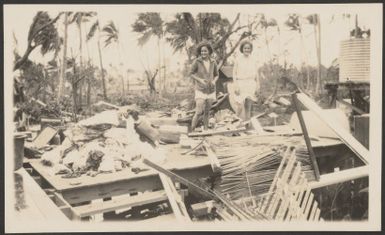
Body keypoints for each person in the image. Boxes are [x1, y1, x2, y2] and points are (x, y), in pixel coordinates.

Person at [189, 41, 219, 131]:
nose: (203, 53)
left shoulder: (213, 62)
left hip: (211, 90)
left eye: (205, 51)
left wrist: (214, 81)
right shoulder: (197, 61)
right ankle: (192, 130)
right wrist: (200, 80)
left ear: (209, 51)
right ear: (199, 52)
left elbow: (217, 74)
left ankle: (205, 131)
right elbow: (191, 73)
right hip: (200, 89)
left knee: (207, 112)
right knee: (198, 112)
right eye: (202, 51)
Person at [231, 40, 260, 124]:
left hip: (251, 84)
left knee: (248, 107)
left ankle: (247, 126)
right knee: (239, 106)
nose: (247, 50)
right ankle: (234, 124)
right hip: (240, 83)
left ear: (251, 49)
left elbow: (256, 73)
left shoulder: (254, 59)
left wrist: (258, 85)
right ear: (242, 49)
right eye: (245, 48)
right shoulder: (238, 59)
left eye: (248, 48)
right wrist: (236, 85)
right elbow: (234, 73)